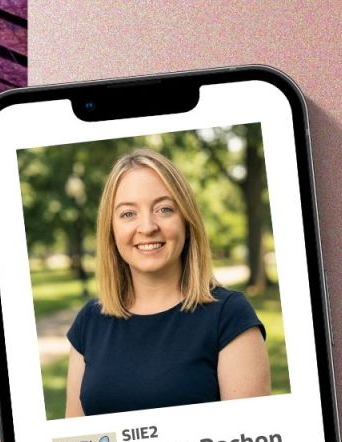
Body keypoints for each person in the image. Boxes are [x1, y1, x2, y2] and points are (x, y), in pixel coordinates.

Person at [65, 149, 270, 418]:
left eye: (164, 209)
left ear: (186, 220)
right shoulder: (89, 322)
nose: (147, 227)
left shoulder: (230, 317)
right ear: (111, 230)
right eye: (128, 214)